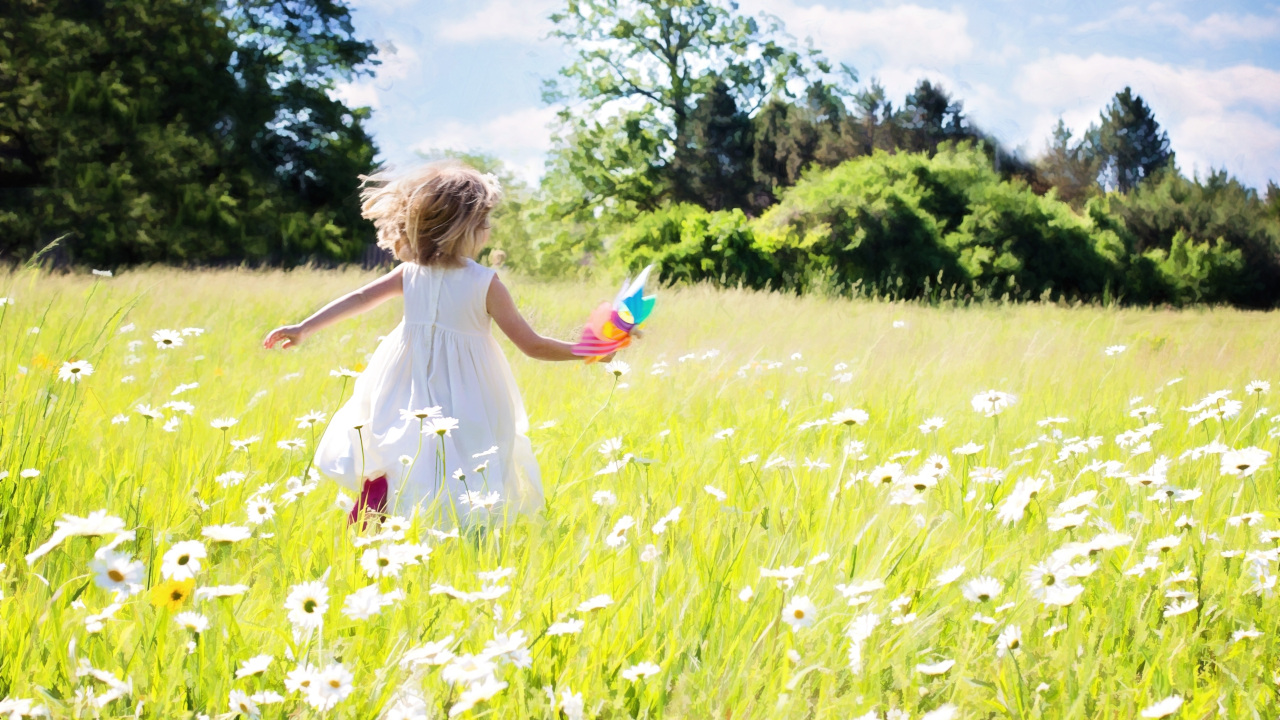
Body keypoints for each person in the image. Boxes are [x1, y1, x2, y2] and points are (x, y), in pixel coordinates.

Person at [262, 160, 603, 526]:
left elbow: (360, 298)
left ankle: (383, 513)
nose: (488, 230)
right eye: (484, 222)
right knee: (466, 460)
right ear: (465, 228)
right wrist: (589, 350)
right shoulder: (484, 282)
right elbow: (531, 344)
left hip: (404, 378)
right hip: (467, 389)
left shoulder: (410, 273)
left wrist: (305, 328)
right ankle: (452, 529)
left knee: (401, 446)